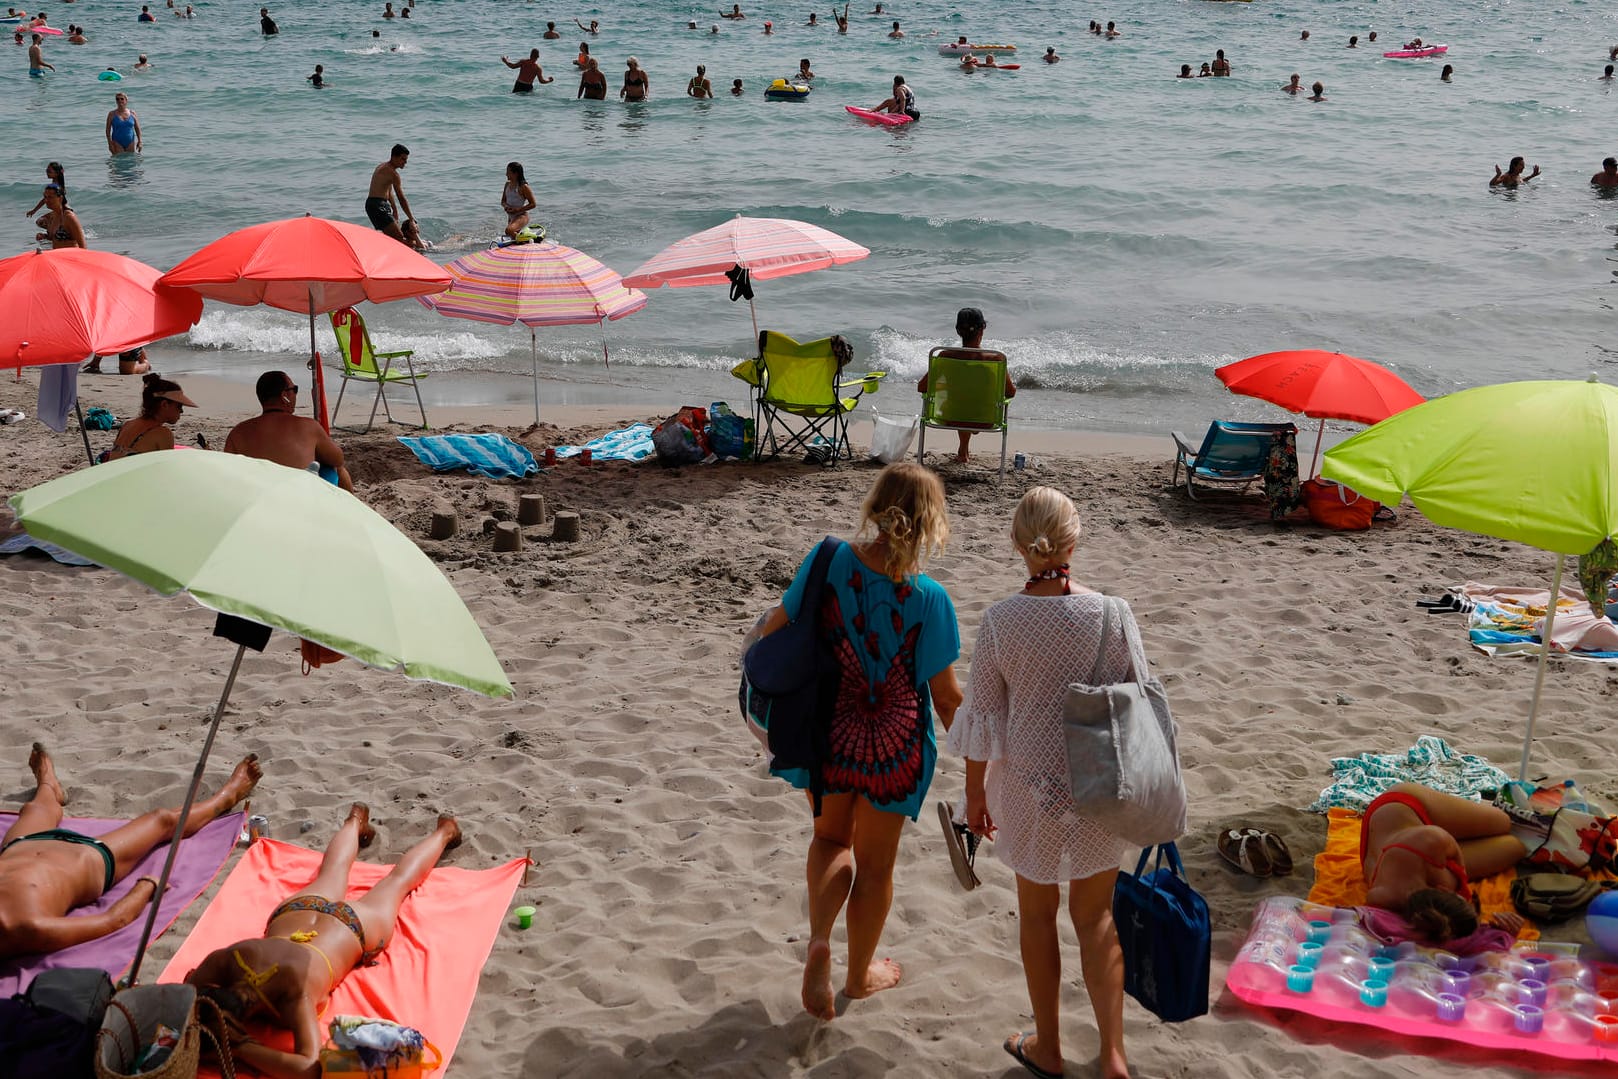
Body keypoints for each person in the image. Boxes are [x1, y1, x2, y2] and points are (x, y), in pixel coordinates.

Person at [750, 462, 962, 1021]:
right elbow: (944, 697)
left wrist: (753, 649)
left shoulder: (831, 559)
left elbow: (780, 623)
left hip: (831, 731)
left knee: (829, 841)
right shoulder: (931, 598)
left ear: (875, 505)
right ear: (930, 524)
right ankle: (859, 975)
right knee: (876, 867)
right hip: (896, 744)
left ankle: (820, 938)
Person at [949, 487, 1136, 1079]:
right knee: (1096, 918)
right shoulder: (1112, 613)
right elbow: (1141, 700)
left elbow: (980, 717)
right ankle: (1112, 1058)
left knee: (1037, 915)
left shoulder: (1003, 621)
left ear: (1017, 545)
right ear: (1073, 541)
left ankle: (1048, 1047)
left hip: (1029, 785)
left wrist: (975, 796)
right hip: (1100, 783)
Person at [185, 805, 462, 1077]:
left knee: (397, 883)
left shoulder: (294, 995)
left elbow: (308, 1068)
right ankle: (355, 821)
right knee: (336, 871)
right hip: (297, 914)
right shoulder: (226, 959)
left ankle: (445, 833)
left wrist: (240, 1047)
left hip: (351, 928)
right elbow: (188, 987)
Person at [0, 744, 260, 961]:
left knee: (36, 810)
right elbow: (112, 920)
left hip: (21, 846)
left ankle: (49, 786)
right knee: (161, 820)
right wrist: (146, 886)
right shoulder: (31, 929)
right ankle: (227, 796)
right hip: (88, 858)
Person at [1360, 783, 1527, 942]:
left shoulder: (1431, 840)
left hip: (1402, 806)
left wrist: (1461, 878)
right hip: (1418, 854)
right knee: (1517, 847)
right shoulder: (1419, 910)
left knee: (1504, 822)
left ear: (1443, 890)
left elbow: (1455, 853)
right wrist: (1501, 932)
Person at [225, 371, 355, 491]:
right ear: (284, 396)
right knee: (336, 469)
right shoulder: (308, 426)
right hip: (298, 498)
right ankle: (350, 511)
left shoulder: (237, 433)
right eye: (295, 389)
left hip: (257, 497)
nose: (295, 394)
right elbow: (338, 459)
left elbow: (228, 474)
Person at [915, 308, 1014, 463]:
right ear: (983, 329)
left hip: (950, 417)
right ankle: (963, 449)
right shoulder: (996, 359)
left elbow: (922, 387)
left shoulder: (944, 356)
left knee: (961, 399)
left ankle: (963, 450)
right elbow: (1010, 392)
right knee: (972, 400)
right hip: (985, 419)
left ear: (957, 330)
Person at [101, 375, 196, 458]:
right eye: (179, 406)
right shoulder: (162, 433)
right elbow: (166, 470)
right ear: (164, 404)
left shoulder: (128, 425)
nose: (182, 411)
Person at [365, 144, 414, 246]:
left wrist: (394, 209)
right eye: (403, 159)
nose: (405, 162)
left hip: (373, 204)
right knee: (399, 238)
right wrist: (411, 219)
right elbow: (401, 198)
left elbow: (388, 190)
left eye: (406, 159)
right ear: (394, 157)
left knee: (390, 238)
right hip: (378, 206)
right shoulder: (393, 174)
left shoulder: (382, 166)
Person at [34, 184, 84, 249]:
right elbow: (56, 239)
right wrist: (45, 237)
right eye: (45, 197)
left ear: (60, 198)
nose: (46, 200)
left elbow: (83, 246)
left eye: (50, 197)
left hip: (71, 256)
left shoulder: (69, 217)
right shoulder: (51, 216)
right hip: (56, 256)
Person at [500, 161, 536, 239]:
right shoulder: (507, 184)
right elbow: (503, 201)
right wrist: (506, 207)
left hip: (521, 216)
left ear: (515, 173)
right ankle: (522, 241)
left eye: (508, 172)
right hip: (511, 216)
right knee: (512, 235)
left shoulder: (523, 187)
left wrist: (518, 209)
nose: (506, 174)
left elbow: (533, 204)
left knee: (508, 230)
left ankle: (529, 241)